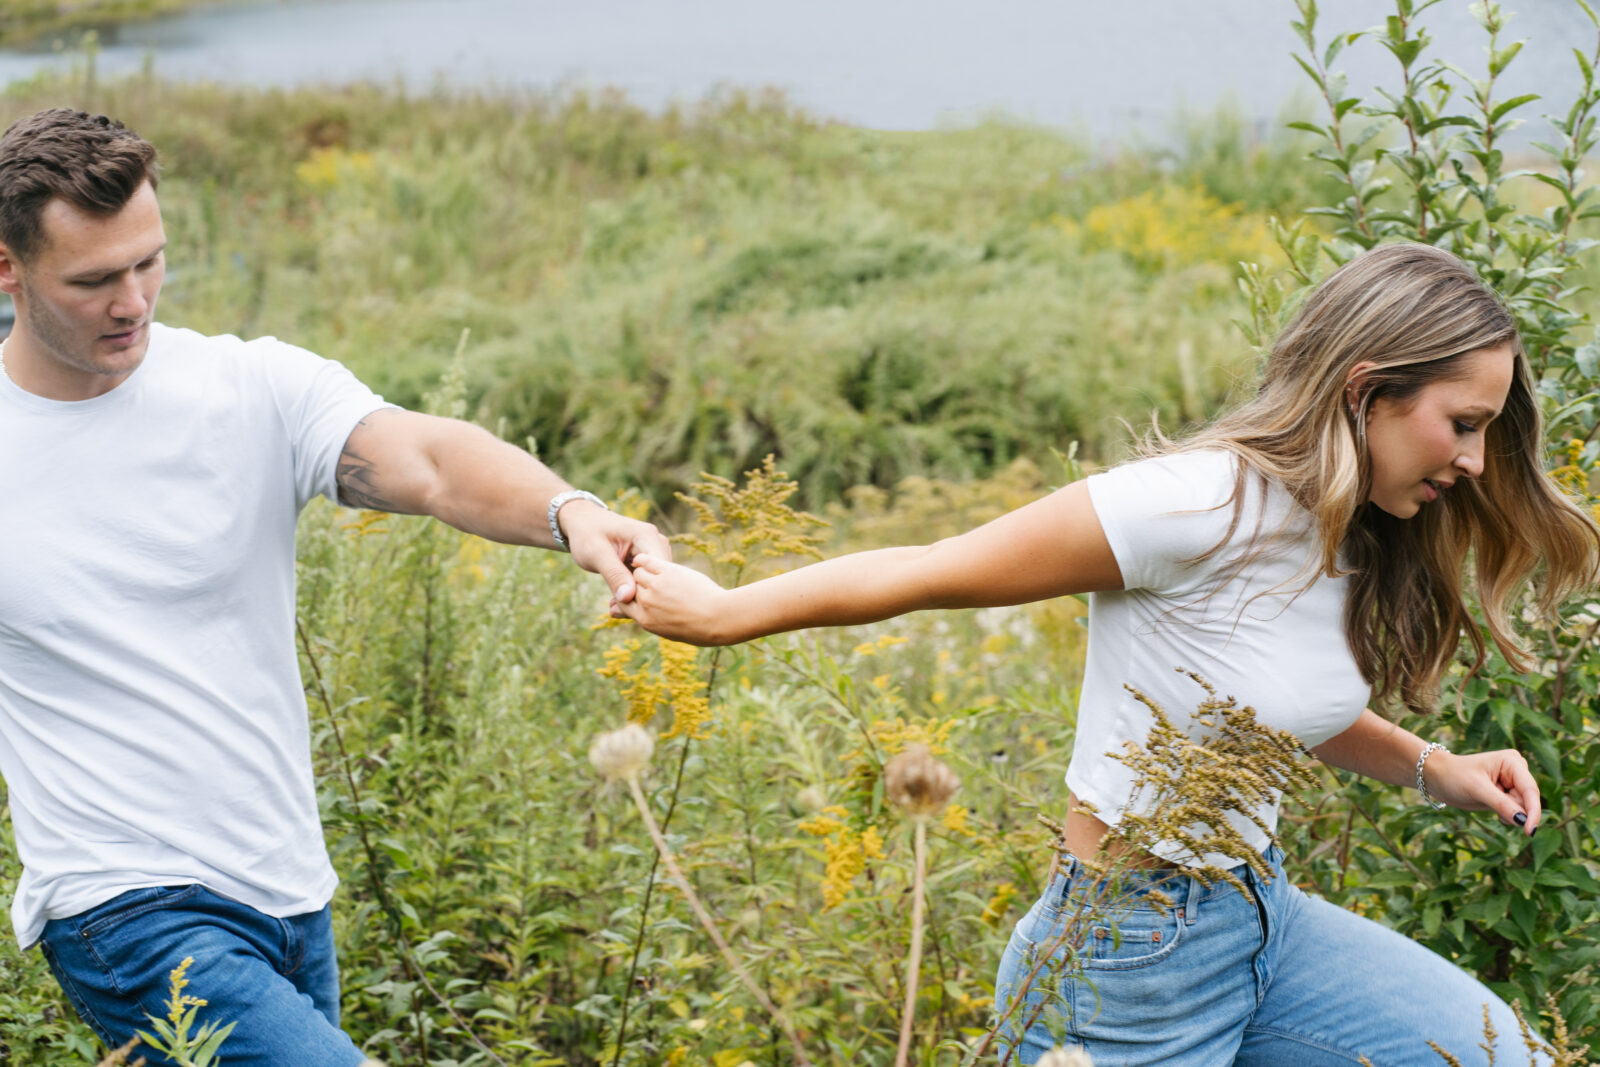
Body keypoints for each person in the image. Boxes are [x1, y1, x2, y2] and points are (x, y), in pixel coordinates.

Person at [616, 242, 1600, 1065]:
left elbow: (1277, 710)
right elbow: (929, 566)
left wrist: (1438, 768)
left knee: (1495, 1053)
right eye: (1460, 424)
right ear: (1365, 391)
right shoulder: (1195, 501)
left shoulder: (1346, 522)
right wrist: (722, 610)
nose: (1472, 461)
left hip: (1260, 916)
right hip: (1127, 956)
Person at [0, 108, 670, 1065]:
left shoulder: (251, 387)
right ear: (7, 269)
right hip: (123, 906)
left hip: (287, 893)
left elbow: (432, 460)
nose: (134, 301)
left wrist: (572, 513)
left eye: (149, 262)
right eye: (95, 280)